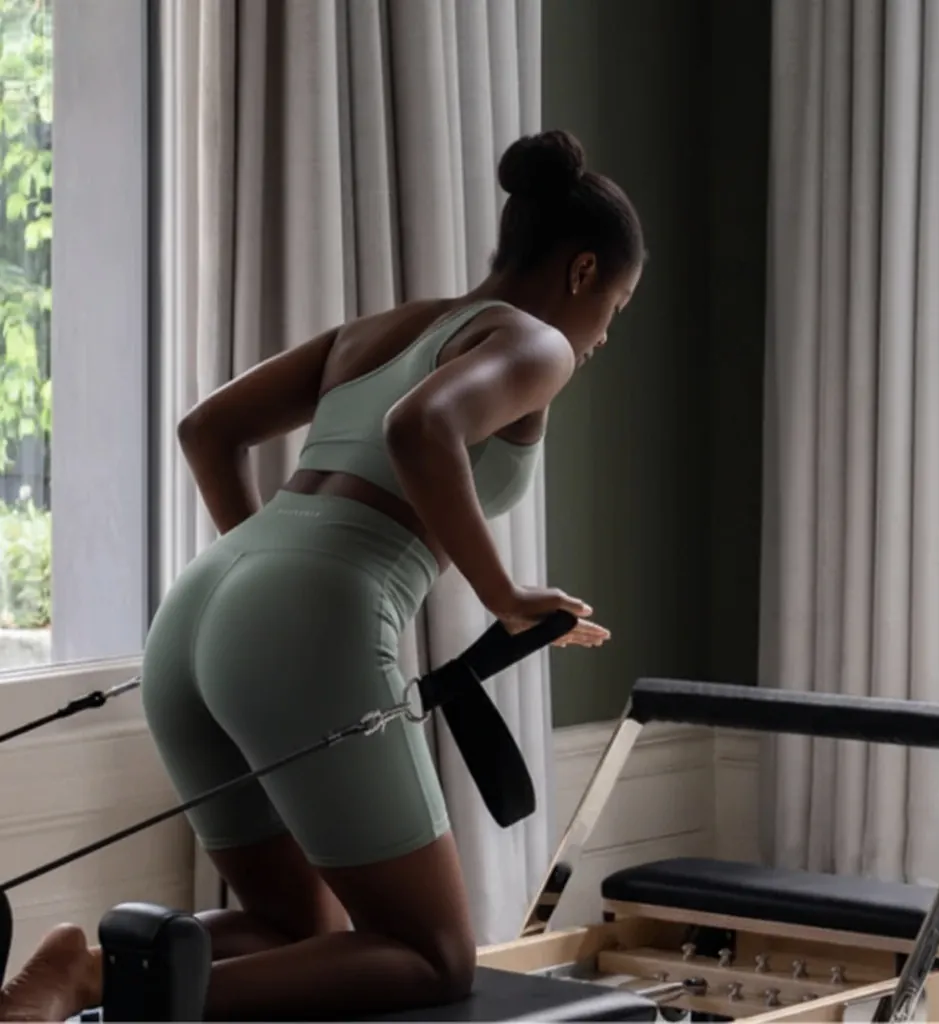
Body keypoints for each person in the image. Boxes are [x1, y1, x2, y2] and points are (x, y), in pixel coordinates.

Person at [0, 128, 645, 1022]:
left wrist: (263, 587)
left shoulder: (384, 330)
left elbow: (206, 431)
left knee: (295, 921)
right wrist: (505, 597)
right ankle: (95, 987)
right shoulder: (538, 344)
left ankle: (78, 958)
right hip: (311, 611)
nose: (604, 335)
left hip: (200, 606)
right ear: (581, 273)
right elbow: (422, 430)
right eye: (616, 306)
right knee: (434, 956)